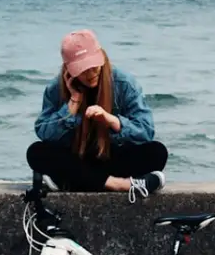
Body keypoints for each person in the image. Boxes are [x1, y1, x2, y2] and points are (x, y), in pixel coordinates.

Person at [26, 29, 167, 199]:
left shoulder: (124, 83)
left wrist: (112, 121)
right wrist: (73, 104)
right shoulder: (56, 89)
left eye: (94, 66)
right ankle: (121, 184)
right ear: (69, 70)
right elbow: (44, 133)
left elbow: (146, 131)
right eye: (83, 69)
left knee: (157, 152)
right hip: (77, 158)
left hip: (112, 156)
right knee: (36, 152)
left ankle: (72, 181)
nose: (91, 73)